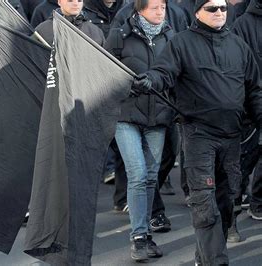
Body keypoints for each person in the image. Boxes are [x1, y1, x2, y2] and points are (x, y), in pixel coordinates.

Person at [133, 0, 262, 263]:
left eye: (223, 8)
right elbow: (163, 72)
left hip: (232, 137)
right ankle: (215, 261)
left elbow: (255, 90)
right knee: (205, 206)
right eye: (212, 8)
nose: (219, 13)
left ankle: (205, 257)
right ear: (198, 11)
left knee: (227, 204)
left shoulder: (238, 45)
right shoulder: (181, 43)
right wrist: (150, 79)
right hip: (198, 135)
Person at [106, 0, 173, 261]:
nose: (160, 12)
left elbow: (175, 73)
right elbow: (106, 72)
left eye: (163, 7)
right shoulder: (119, 34)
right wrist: (127, 85)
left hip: (158, 116)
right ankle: (138, 238)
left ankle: (144, 235)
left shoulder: (171, 36)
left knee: (150, 177)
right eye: (155, 7)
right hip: (126, 116)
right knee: (137, 173)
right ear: (139, 9)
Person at [232, 0, 262, 222]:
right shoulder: (243, 23)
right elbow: (236, 64)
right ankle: (231, 210)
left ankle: (258, 202)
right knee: (245, 158)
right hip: (250, 101)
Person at [36, 0, 105, 47]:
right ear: (59, 2)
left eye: (79, 0)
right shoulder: (43, 30)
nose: (76, 3)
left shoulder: (95, 31)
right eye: (70, 0)